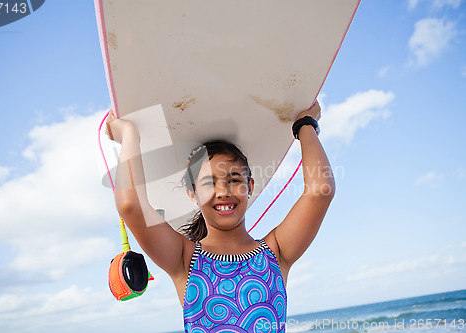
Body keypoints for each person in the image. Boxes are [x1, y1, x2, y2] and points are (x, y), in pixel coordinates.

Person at [105, 100, 335, 332]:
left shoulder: (277, 252)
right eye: (209, 183)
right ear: (193, 193)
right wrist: (129, 134)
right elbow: (130, 205)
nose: (223, 192)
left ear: (250, 186)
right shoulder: (183, 259)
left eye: (234, 180)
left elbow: (321, 191)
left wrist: (305, 124)